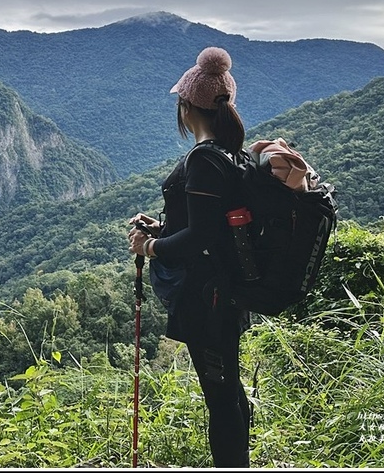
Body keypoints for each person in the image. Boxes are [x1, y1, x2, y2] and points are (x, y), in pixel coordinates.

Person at [128, 46, 252, 468]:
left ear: (186, 107)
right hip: (227, 287)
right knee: (229, 392)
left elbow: (201, 234)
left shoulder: (203, 158)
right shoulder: (232, 154)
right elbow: (210, 226)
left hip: (206, 297)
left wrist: (150, 247)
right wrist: (163, 228)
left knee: (221, 399)